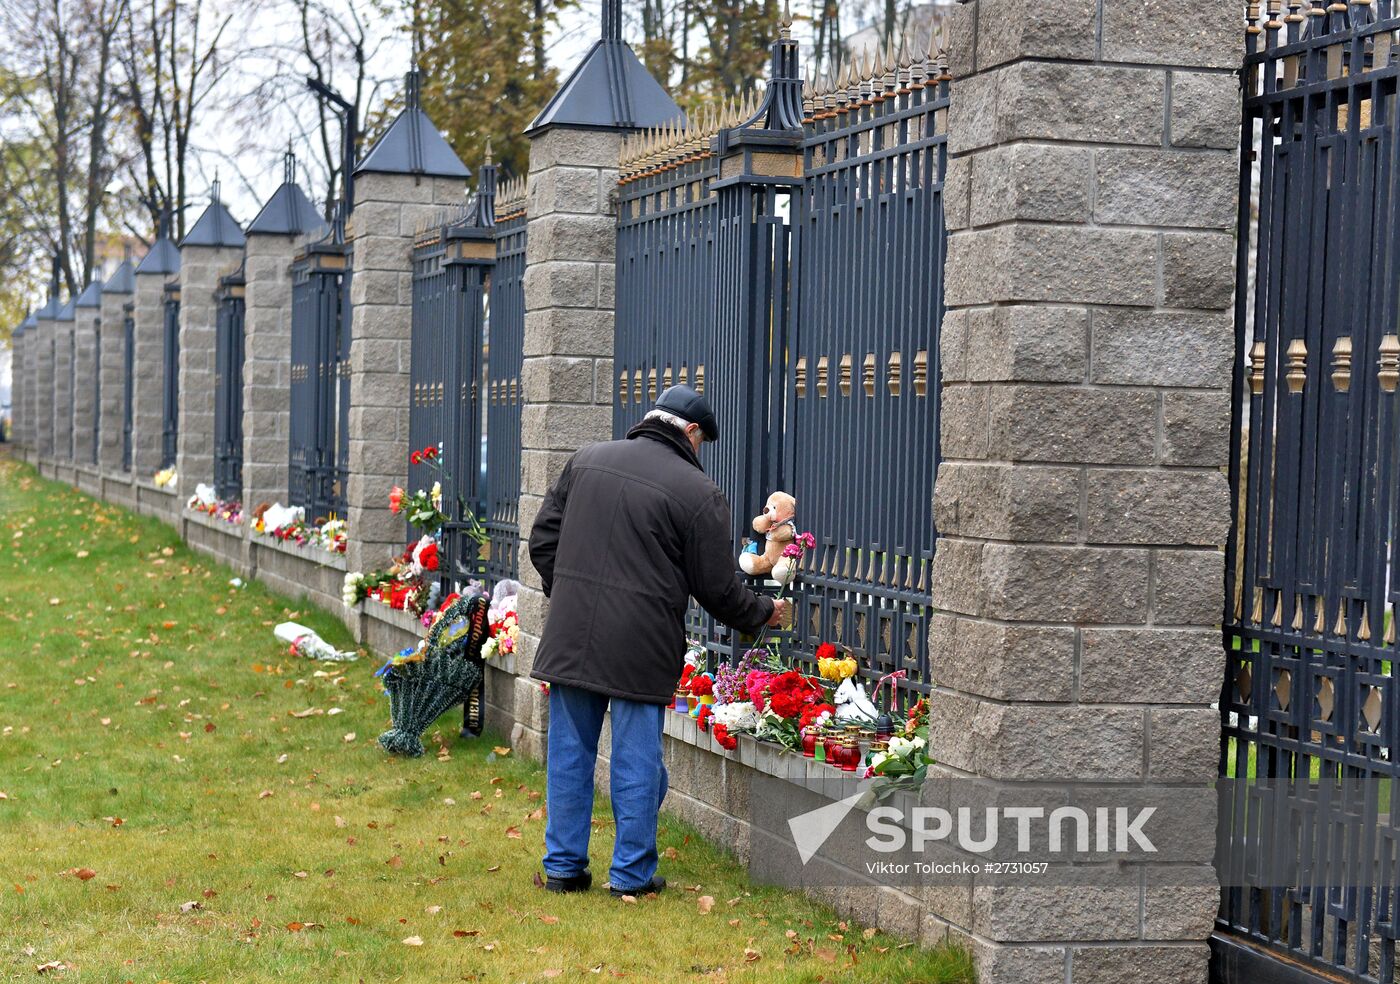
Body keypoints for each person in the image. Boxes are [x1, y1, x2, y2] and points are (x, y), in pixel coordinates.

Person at [527, 384, 788, 897]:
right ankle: (630, 874)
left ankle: (562, 870)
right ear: (689, 432)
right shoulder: (697, 493)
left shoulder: (585, 461)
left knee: (569, 754)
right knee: (635, 760)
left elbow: (542, 542)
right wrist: (766, 612)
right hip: (640, 643)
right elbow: (717, 588)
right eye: (700, 442)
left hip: (572, 635)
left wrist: (574, 594)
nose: (699, 452)